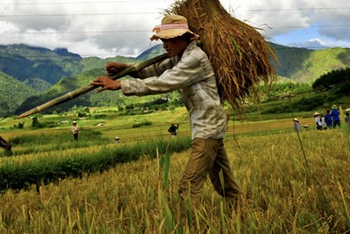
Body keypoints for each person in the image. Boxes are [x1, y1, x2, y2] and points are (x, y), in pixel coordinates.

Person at [91, 14, 241, 207]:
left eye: (169, 40)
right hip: (208, 126)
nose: (165, 45)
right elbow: (153, 71)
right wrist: (127, 68)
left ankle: (188, 225)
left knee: (188, 186)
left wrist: (121, 84)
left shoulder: (194, 58)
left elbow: (164, 82)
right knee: (222, 179)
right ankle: (239, 211)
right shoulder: (179, 57)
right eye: (163, 40)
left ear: (184, 38)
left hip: (208, 127)